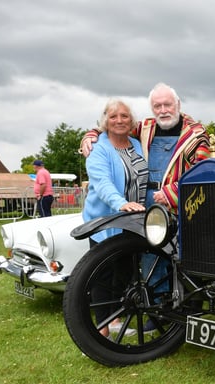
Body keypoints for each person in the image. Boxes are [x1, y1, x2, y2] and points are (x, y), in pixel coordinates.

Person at [80, 82, 211, 214]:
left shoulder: (196, 135)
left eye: (168, 105)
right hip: (144, 208)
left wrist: (172, 192)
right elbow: (117, 127)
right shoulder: (146, 128)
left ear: (178, 104)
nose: (163, 110)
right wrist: (92, 134)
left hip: (181, 208)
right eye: (157, 106)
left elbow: (203, 173)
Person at [84, 98, 149, 338]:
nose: (119, 120)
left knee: (125, 272)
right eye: (113, 116)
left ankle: (116, 319)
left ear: (131, 120)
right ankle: (102, 330)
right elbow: (102, 183)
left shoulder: (137, 143)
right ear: (105, 121)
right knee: (104, 275)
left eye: (124, 116)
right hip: (106, 221)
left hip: (133, 220)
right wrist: (121, 204)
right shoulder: (98, 148)